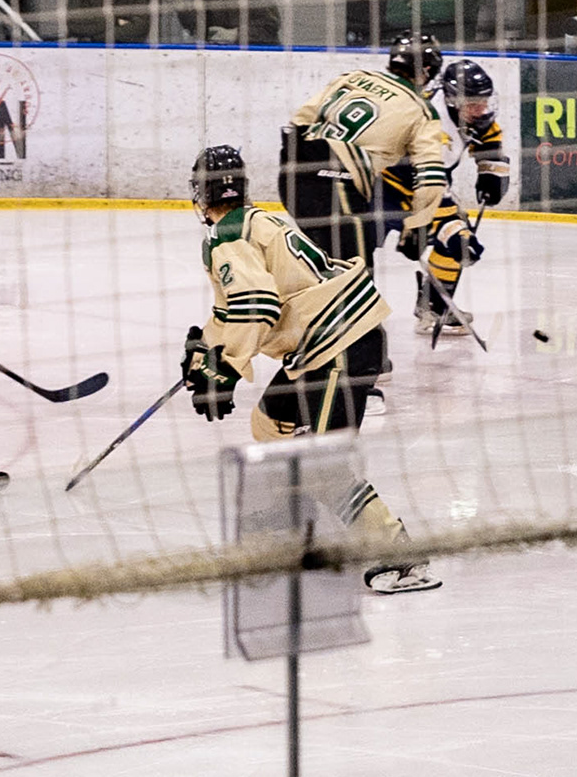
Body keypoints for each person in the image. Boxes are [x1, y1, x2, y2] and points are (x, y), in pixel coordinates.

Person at [183, 146, 437, 594]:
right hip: (336, 340)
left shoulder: (226, 236)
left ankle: (401, 555)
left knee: (325, 465)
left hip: (338, 345)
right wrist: (209, 351)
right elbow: (241, 309)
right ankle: (294, 528)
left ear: (202, 194)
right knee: (270, 422)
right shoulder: (260, 220)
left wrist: (225, 369)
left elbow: (254, 306)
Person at [281, 30, 451, 268]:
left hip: (291, 177)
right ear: (428, 71)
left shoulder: (353, 76)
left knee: (327, 269)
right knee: (358, 279)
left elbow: (297, 123)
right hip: (337, 188)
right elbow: (431, 179)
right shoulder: (423, 111)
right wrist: (418, 226)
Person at [384, 58, 508, 334]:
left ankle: (433, 306)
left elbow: (488, 137)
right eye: (474, 103)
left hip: (427, 179)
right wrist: (447, 229)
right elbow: (426, 186)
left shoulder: (471, 113)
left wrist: (492, 171)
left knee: (457, 234)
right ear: (453, 101)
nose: (482, 108)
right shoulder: (431, 122)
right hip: (390, 185)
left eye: (484, 100)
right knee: (457, 237)